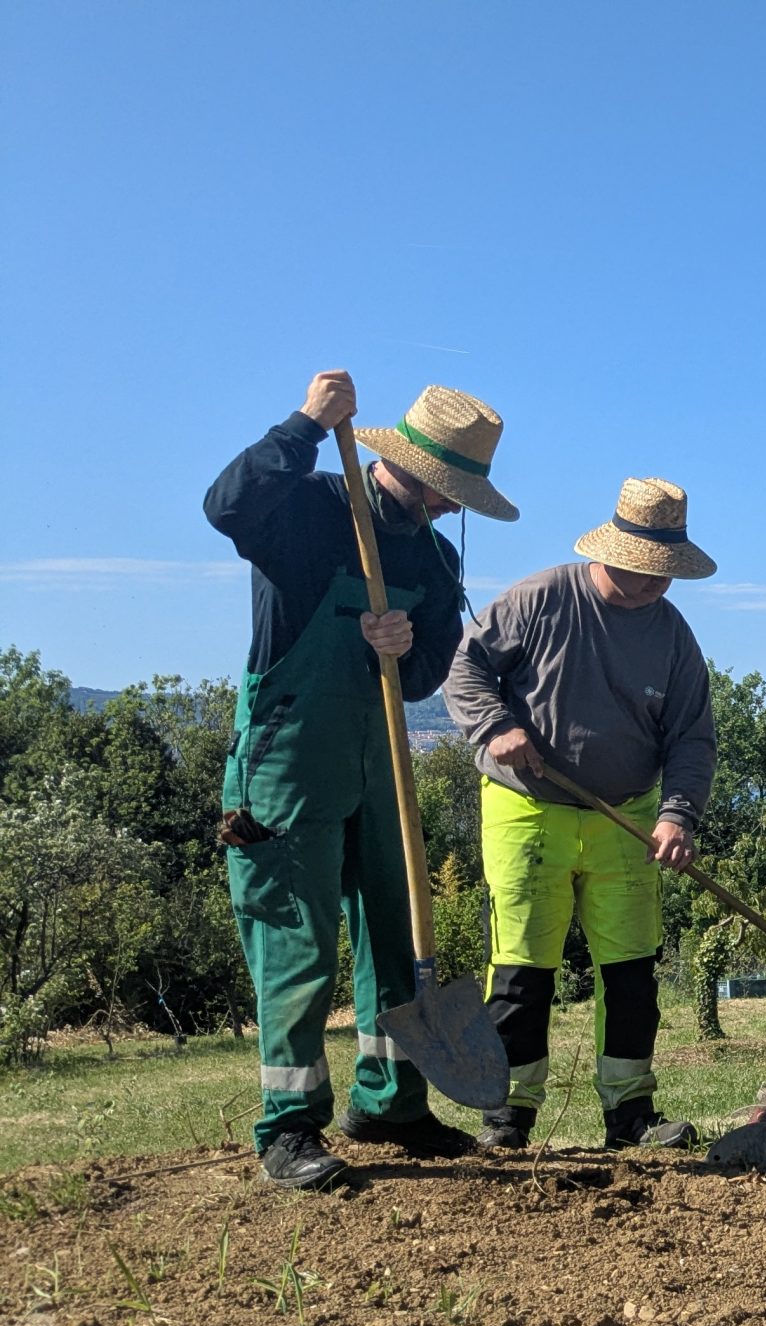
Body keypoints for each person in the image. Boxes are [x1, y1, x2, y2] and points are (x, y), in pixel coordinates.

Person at [206, 371, 520, 1189]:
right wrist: (306, 422)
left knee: (396, 931)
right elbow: (225, 505)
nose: (449, 506)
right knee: (296, 945)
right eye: (444, 489)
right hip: (288, 758)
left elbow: (422, 679)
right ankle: (287, 1126)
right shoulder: (307, 507)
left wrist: (403, 645)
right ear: (405, 465)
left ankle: (391, 1103)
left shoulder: (434, 555)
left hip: (382, 758)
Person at [444, 479, 718, 1151]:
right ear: (613, 551)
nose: (659, 583)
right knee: (521, 971)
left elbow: (692, 737)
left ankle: (630, 1115)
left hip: (629, 817)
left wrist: (677, 816)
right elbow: (465, 670)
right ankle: (507, 1117)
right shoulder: (542, 598)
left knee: (631, 973)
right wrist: (494, 727)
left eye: (668, 572)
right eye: (649, 568)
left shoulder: (674, 636)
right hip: (526, 808)